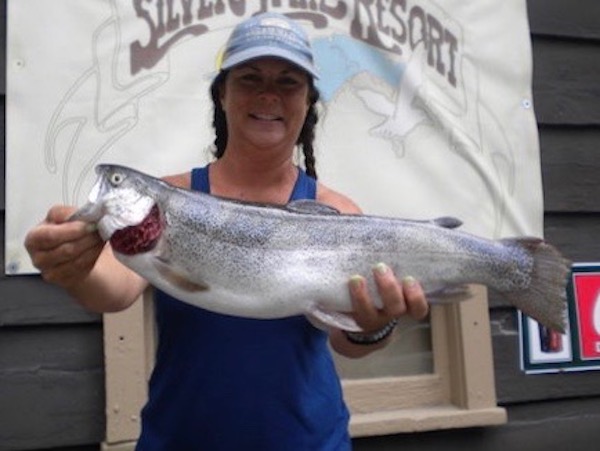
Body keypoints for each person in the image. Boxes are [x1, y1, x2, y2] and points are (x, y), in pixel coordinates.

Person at [25, 12, 429, 451]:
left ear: (309, 100)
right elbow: (114, 289)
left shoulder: (335, 212)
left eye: (288, 82)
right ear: (223, 93)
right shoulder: (172, 197)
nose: (268, 95)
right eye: (250, 78)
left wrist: (373, 326)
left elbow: (348, 341)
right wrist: (74, 268)